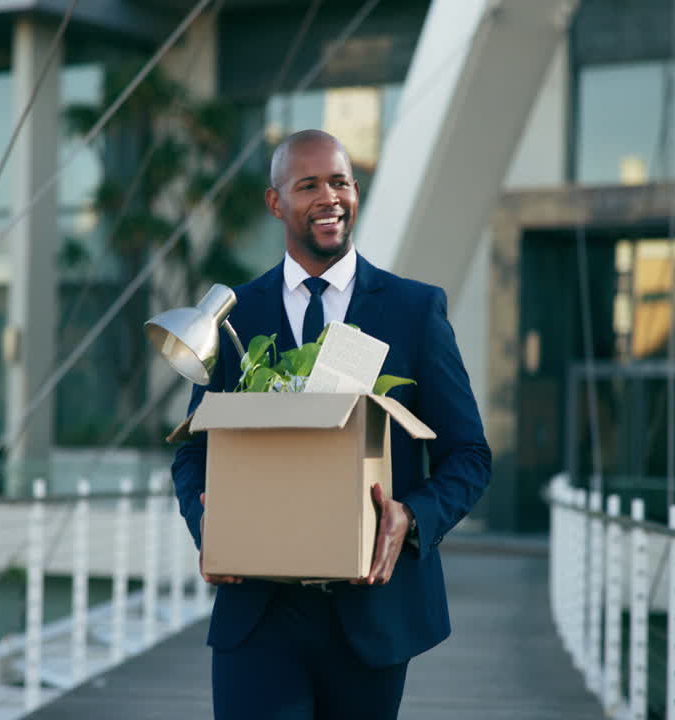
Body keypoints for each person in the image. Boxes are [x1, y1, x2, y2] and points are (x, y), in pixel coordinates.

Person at [170, 129, 491, 719]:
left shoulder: (414, 311)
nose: (330, 197)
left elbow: (469, 454)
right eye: (309, 184)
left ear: (356, 192)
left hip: (372, 617)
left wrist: (412, 517)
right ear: (275, 203)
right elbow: (193, 451)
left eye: (340, 182)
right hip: (258, 613)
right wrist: (206, 524)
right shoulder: (236, 315)